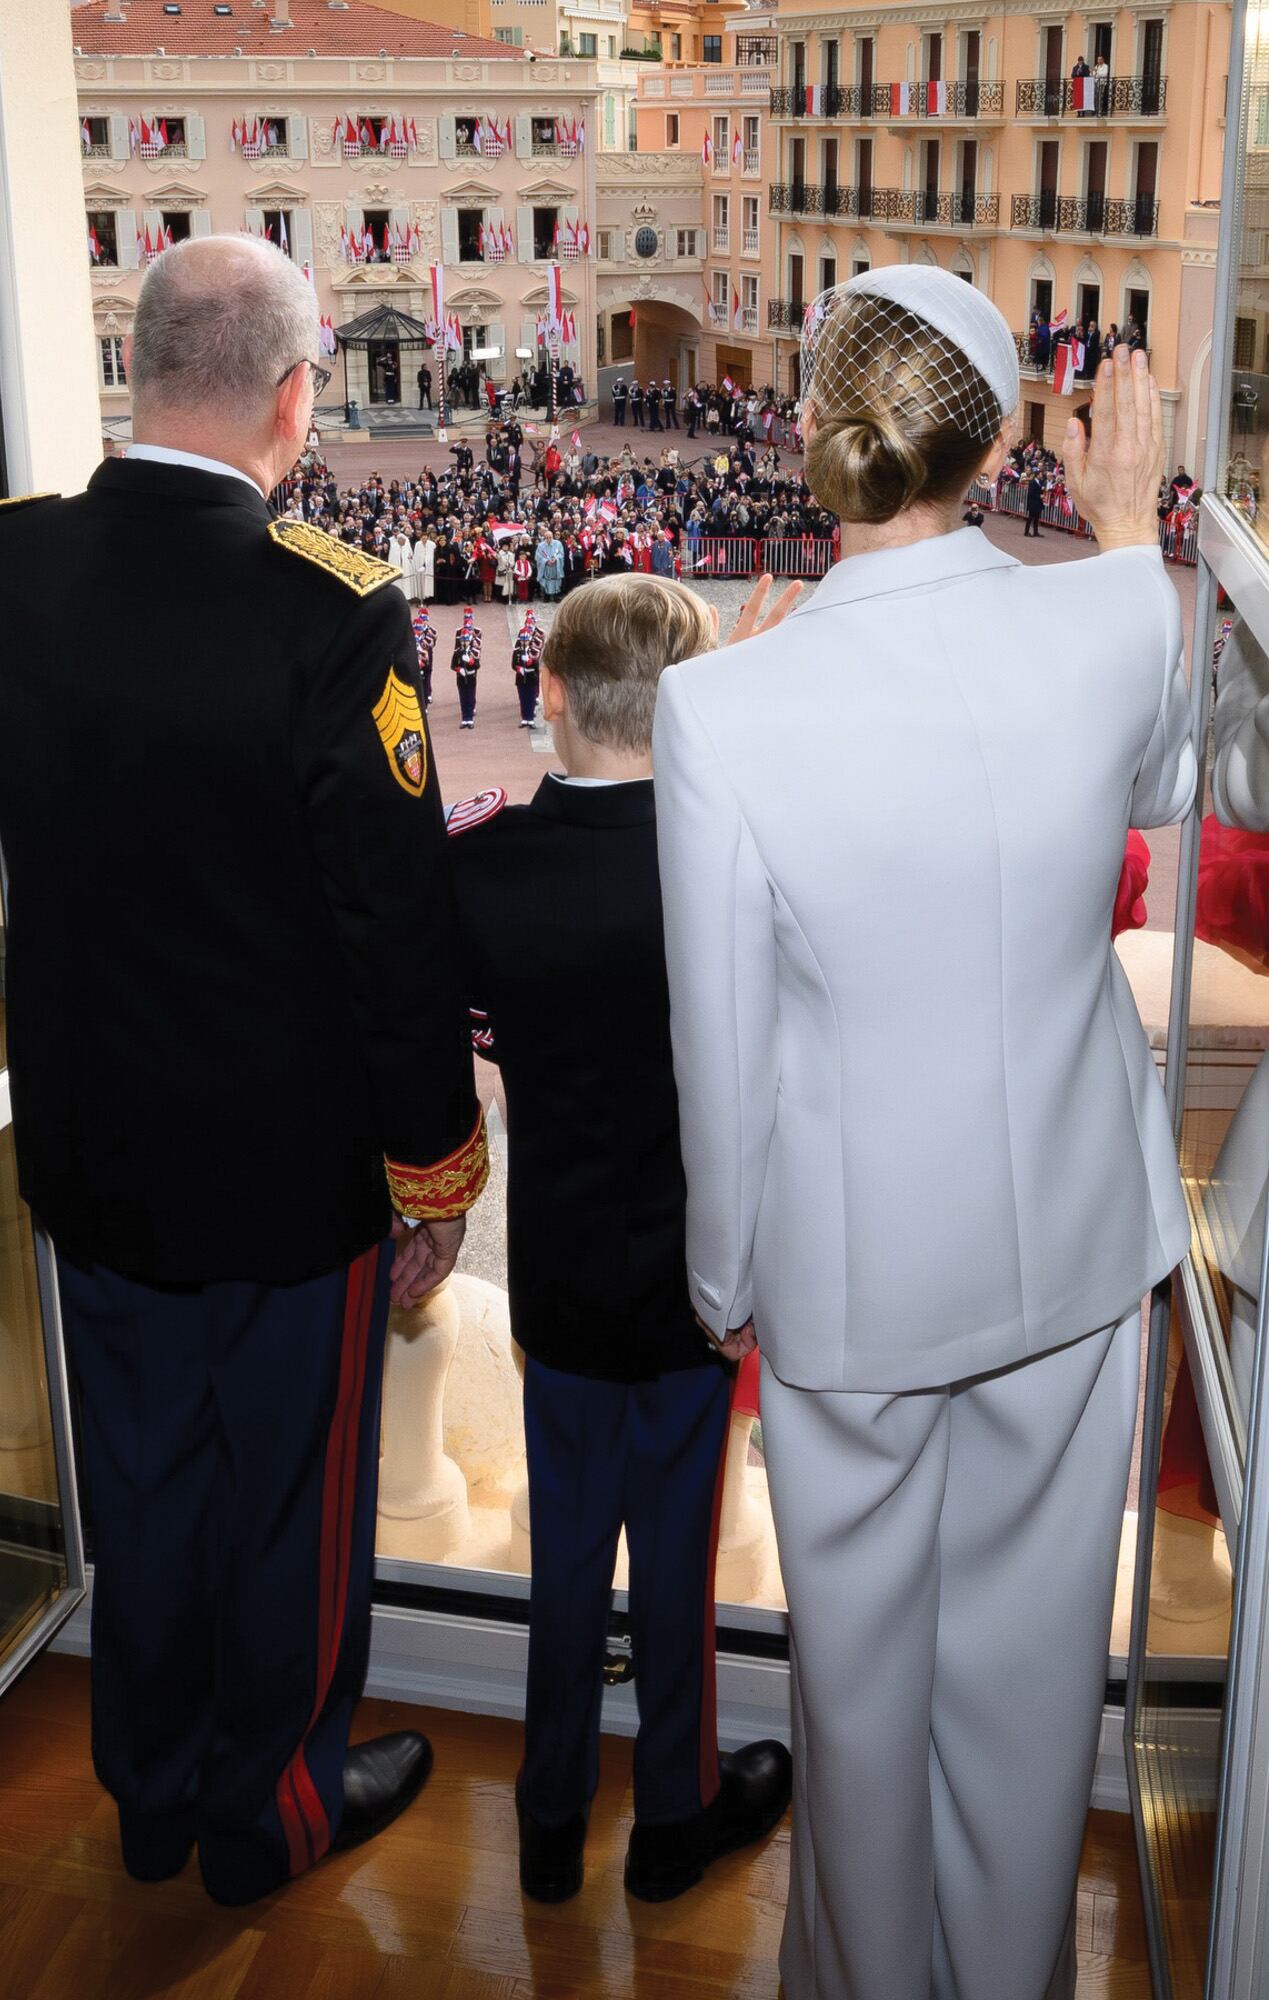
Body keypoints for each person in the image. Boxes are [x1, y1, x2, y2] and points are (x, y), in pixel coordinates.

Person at [652, 267, 1196, 2000]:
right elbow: (1192, 777)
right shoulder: (1111, 617)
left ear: (813, 429)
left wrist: (721, 1276)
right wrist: (1127, 532)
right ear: (991, 442)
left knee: (861, 1703)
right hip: (1070, 1255)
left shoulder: (721, 709)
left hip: (851, 1282)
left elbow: (718, 1056)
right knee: (1033, 1699)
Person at [0, 235, 490, 1906]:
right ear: (293, 394)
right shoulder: (327, 610)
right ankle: (273, 1816)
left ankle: (151, 1788)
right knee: (285, 1514)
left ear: (135, 364)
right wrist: (434, 1173)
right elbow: (395, 932)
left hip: (91, 1146)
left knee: (146, 1483)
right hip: (281, 1171)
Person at [447, 572, 795, 1910]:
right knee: (677, 1572)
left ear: (546, 691)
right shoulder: (730, 862)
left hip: (557, 1274)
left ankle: (547, 1819)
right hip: (694, 1288)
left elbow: (446, 1051)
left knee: (565, 1559)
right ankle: (672, 1815)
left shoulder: (482, 865)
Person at [509, 608, 544, 725]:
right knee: (523, 698)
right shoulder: (518, 650)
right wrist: (519, 668)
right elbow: (514, 664)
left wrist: (530, 661)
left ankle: (530, 717)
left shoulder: (534, 646)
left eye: (525, 640)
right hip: (521, 677)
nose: (524, 642)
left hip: (531, 676)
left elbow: (536, 661)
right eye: (523, 640)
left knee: (531, 697)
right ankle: (525, 718)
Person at [451, 606, 481, 726]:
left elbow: (477, 664)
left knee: (470, 696)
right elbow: (453, 665)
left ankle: (470, 718)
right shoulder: (458, 652)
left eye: (466, 640)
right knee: (463, 698)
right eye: (463, 641)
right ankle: (465, 718)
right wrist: (459, 669)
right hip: (461, 677)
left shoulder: (473, 651)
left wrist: (470, 662)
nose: (464, 642)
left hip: (471, 676)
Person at [412, 601, 436, 704]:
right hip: (416, 655)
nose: (423, 621)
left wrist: (424, 639)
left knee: (427, 674)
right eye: (422, 619)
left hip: (427, 654)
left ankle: (428, 693)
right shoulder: (414, 630)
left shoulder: (431, 631)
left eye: (424, 619)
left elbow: (431, 644)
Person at [1025, 467, 1044, 536]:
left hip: (1038, 503)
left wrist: (1042, 492)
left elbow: (1039, 491)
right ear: (1037, 475)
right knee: (1030, 518)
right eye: (1040, 474)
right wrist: (1039, 496)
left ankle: (1035, 532)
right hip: (1033, 503)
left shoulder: (1040, 482)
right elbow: (1031, 493)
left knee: (1036, 518)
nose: (1041, 476)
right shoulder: (1032, 482)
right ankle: (1026, 532)